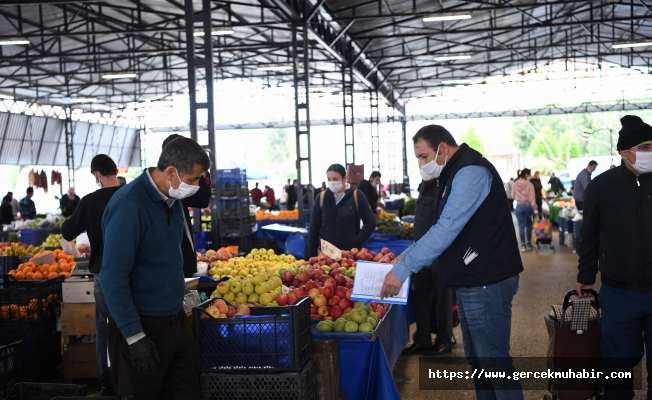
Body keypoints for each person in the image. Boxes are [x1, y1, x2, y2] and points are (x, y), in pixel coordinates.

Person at [379, 125, 524, 399]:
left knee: (493, 362)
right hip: (472, 280)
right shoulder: (452, 172)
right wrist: (404, 255)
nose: (421, 164)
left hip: (487, 281)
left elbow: (446, 229)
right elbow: (441, 229)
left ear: (443, 148)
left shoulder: (470, 171)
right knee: (479, 362)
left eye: (423, 156)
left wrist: (401, 270)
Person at [100, 137, 209, 399]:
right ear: (171, 172)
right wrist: (135, 337)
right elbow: (113, 278)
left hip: (175, 320)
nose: (196, 187)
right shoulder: (128, 205)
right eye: (193, 180)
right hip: (141, 325)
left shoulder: (171, 199)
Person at [576, 115, 652, 398]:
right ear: (624, 152)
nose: (650, 153)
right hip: (619, 294)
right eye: (644, 147)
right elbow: (590, 237)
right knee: (617, 367)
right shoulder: (602, 186)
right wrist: (585, 277)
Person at [61, 154, 122, 396]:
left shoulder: (90, 201)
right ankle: (131, 376)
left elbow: (68, 229)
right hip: (133, 272)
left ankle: (108, 381)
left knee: (104, 326)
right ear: (115, 171)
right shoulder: (131, 196)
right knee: (132, 321)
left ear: (97, 174)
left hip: (104, 272)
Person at [401, 131, 453, 356]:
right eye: (418, 159)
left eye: (424, 157)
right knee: (420, 296)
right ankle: (422, 339)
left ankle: (444, 340)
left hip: (441, 254)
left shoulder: (449, 183)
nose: (422, 163)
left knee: (443, 299)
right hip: (420, 253)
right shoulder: (425, 182)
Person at [162, 134, 211, 278]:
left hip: (183, 259)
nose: (194, 184)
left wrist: (202, 174)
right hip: (168, 266)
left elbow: (201, 200)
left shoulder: (180, 187)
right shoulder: (151, 194)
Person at [308, 164, 376, 257]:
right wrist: (311, 256)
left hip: (349, 255)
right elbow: (314, 228)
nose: (332, 182)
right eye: (329, 179)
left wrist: (355, 242)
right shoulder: (321, 198)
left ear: (344, 178)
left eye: (335, 179)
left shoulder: (356, 195)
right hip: (326, 255)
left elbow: (370, 222)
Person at [512, 168, 537, 252]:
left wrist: (519, 199)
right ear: (526, 174)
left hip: (519, 206)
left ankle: (522, 245)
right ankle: (529, 244)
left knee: (521, 226)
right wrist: (535, 208)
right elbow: (532, 198)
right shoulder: (529, 184)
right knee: (528, 225)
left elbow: (512, 195)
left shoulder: (515, 184)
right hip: (528, 206)